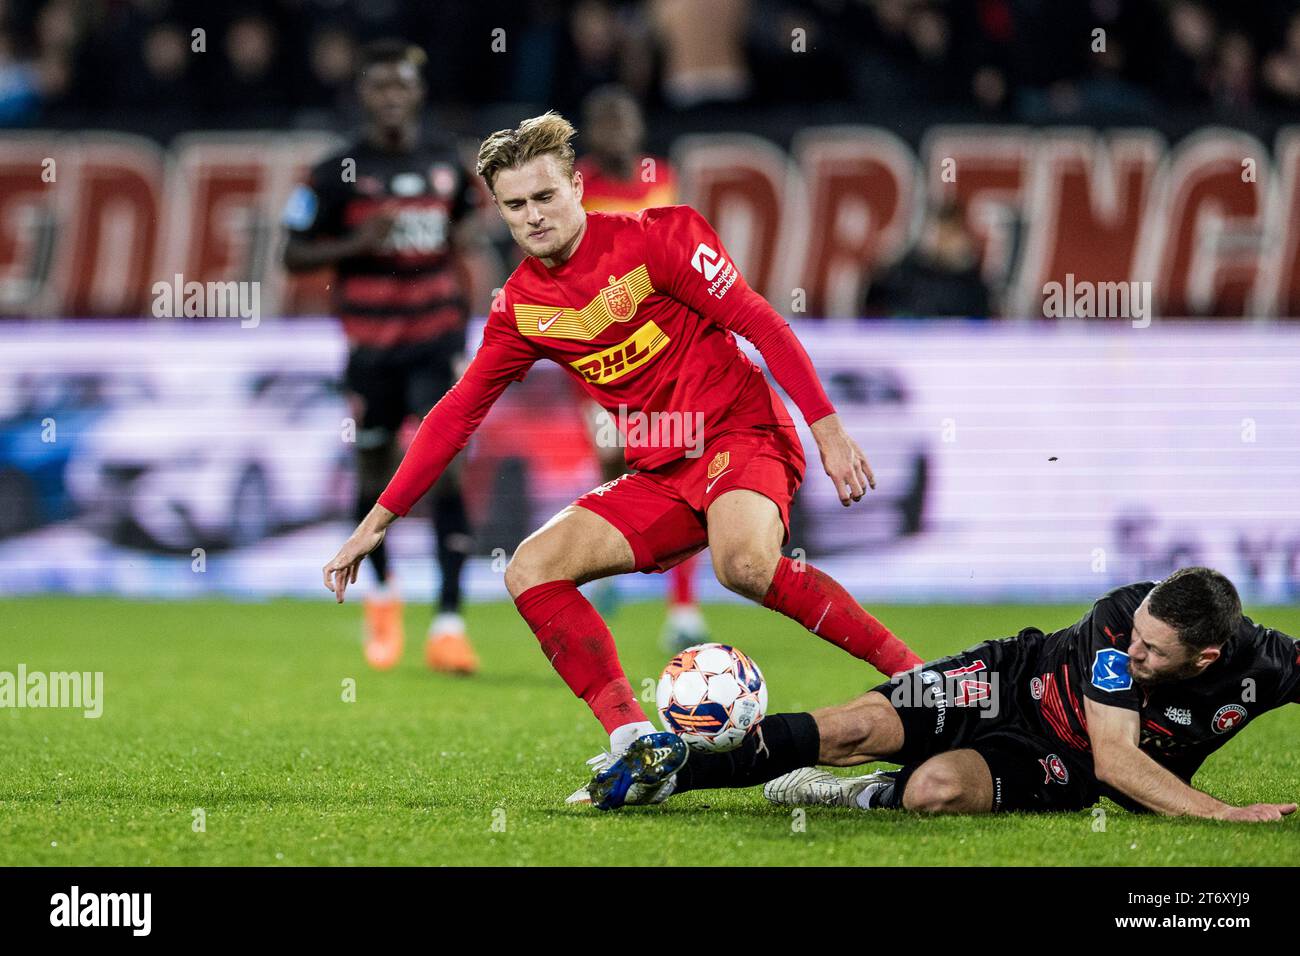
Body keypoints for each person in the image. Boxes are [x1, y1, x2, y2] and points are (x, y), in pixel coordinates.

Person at [322, 111, 922, 781]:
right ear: (499, 213)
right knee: (530, 569)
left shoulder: (660, 239)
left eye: (545, 196)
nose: (534, 216)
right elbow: (457, 413)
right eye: (515, 205)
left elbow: (762, 323)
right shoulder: (521, 307)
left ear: (577, 187)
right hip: (659, 468)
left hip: (739, 432)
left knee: (744, 564)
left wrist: (828, 429)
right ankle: (637, 740)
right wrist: (377, 521)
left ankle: (919, 679)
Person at [588, 567, 1300, 821]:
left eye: (1151, 652)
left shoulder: (1267, 665)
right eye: (1135, 634)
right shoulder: (1122, 617)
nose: (1131, 649)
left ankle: (862, 794)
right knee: (853, 727)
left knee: (931, 792)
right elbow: (1124, 759)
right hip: (1007, 682)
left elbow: (1101, 767)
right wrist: (1225, 815)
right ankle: (673, 771)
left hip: (1060, 762)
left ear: (1206, 657)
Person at [284, 40, 480, 674]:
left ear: (417, 92)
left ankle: (449, 622)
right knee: (374, 469)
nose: (392, 97)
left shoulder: (446, 163)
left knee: (444, 467)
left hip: (438, 339)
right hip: (371, 350)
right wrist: (354, 242)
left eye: (402, 85)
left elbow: (468, 227)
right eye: (379, 86)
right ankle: (382, 599)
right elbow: (292, 253)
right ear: (364, 94)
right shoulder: (332, 172)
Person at [575, 84, 703, 651]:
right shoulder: (575, 187)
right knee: (613, 459)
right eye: (603, 123)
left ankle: (683, 608)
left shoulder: (663, 178)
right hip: (601, 353)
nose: (615, 134)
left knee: (683, 464)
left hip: (669, 349)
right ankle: (608, 568)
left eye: (622, 121)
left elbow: (686, 247)